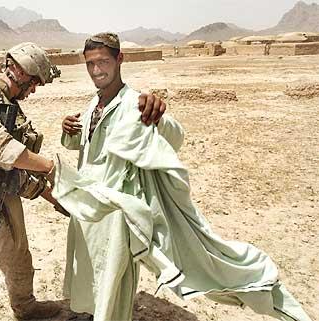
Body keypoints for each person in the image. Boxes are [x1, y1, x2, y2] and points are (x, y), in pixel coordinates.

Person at [54, 32, 312, 321]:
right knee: (90, 276)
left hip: (116, 214)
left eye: (103, 62)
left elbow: (173, 136)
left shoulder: (136, 104)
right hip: (89, 208)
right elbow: (87, 146)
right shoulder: (94, 105)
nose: (96, 70)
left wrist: (160, 117)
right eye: (90, 64)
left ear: (120, 59)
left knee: (114, 284)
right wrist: (68, 132)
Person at [0, 41, 166, 321]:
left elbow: (16, 167)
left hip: (2, 191)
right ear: (21, 73)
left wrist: (59, 198)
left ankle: (26, 308)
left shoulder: (9, 104)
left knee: (20, 258)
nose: (33, 91)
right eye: (34, 83)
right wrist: (50, 169)